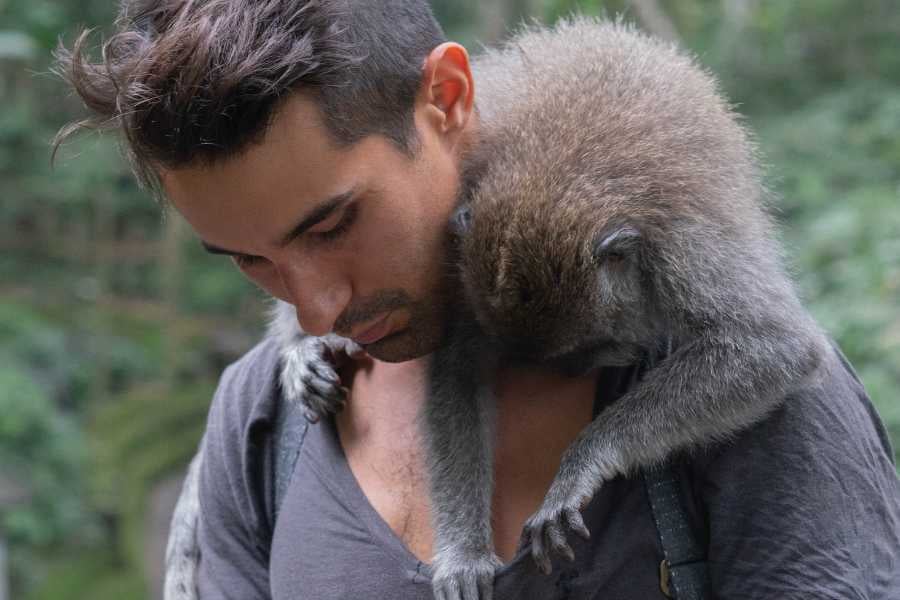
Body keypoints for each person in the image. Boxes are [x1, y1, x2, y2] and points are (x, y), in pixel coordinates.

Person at [54, 1, 900, 598]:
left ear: (449, 102)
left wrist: (599, 451)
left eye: (333, 226)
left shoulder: (742, 386)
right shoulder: (260, 419)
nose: (317, 310)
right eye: (251, 261)